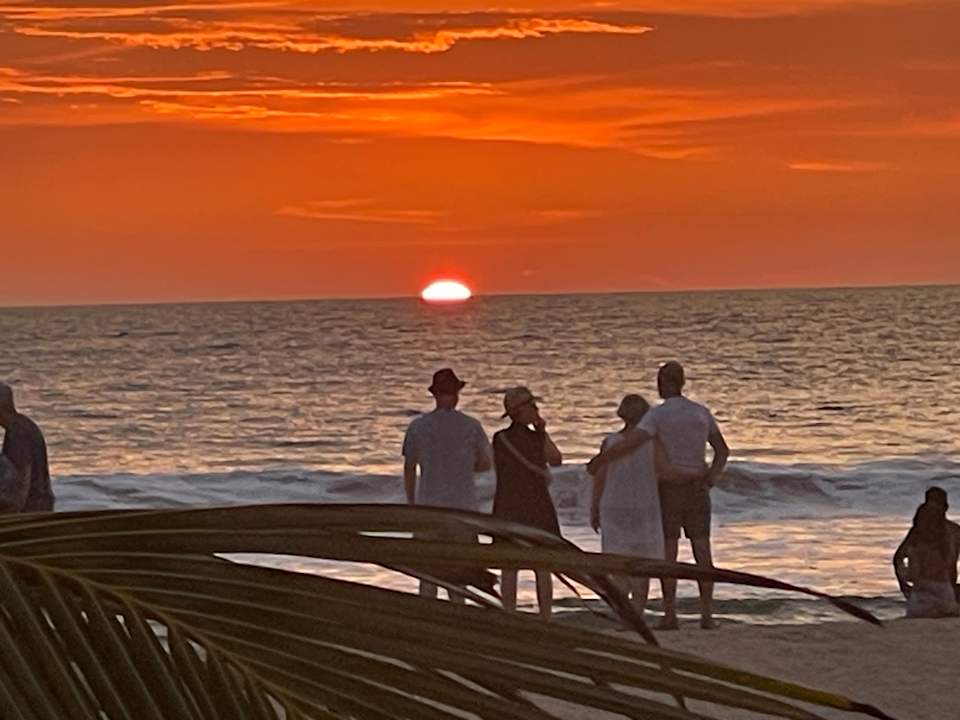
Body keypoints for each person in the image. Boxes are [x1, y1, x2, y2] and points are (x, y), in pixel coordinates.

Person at [587, 362, 729, 629]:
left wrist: (601, 459)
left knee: (668, 555)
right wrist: (711, 476)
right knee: (702, 551)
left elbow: (632, 442)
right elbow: (722, 450)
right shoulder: (701, 412)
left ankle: (670, 614)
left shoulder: (657, 415)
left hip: (668, 489)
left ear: (663, 383)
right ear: (682, 382)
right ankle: (707, 615)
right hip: (698, 487)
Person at [402, 368, 492, 601]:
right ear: (456, 394)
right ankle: (457, 615)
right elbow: (486, 463)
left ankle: (429, 616)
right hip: (462, 511)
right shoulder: (471, 426)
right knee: (459, 576)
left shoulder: (418, 427)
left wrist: (412, 505)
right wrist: (465, 467)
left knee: (427, 575)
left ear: (435, 395)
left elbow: (410, 469)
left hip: (428, 509)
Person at [590, 394, 665, 615]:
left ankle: (624, 615)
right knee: (641, 566)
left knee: (617, 565)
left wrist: (594, 506)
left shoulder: (610, 442)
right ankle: (637, 612)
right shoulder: (652, 442)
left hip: (613, 505)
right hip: (644, 506)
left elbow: (600, 477)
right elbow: (662, 472)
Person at [492, 386, 562, 619]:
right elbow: (555, 459)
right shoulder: (517, 439)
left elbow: (556, 460)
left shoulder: (501, 439)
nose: (536, 410)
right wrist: (542, 432)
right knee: (540, 566)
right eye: (532, 406)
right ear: (521, 411)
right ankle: (545, 617)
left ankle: (510, 616)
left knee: (511, 566)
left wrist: (542, 430)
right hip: (536, 507)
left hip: (508, 507)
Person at [893, 488, 960, 618]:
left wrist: (903, 583)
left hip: (924, 592)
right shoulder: (954, 531)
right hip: (946, 588)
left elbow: (898, 558)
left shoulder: (917, 533)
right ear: (946, 506)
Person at [0, 383, 54, 513]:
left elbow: (19, 493)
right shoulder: (25, 425)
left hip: (30, 512)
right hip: (42, 507)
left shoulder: (18, 434)